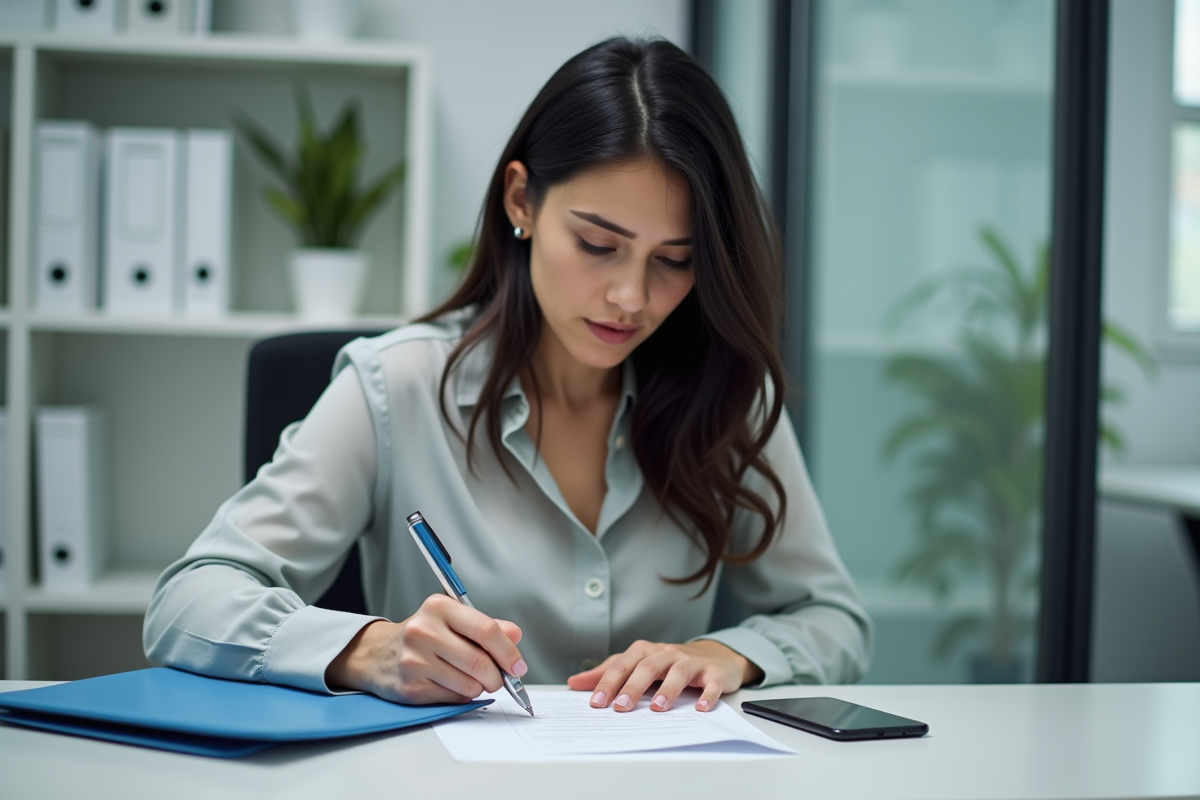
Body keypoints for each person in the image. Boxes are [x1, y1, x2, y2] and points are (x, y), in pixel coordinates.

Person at [144, 36, 871, 714]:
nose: (631, 297)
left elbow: (835, 620)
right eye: (596, 244)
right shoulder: (394, 389)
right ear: (521, 201)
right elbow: (189, 602)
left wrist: (726, 654)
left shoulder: (730, 400)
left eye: (674, 260)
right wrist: (370, 650)